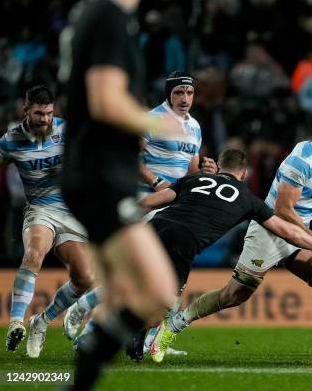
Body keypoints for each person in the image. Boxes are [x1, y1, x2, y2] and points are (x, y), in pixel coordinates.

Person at [152, 110, 312, 366]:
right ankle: (175, 324)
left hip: (299, 235)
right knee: (234, 296)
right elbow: (283, 210)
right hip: (271, 230)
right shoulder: (300, 161)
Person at [59, 0, 183, 389]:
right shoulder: (110, 16)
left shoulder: (87, 13)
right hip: (101, 177)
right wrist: (152, 122)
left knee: (118, 295)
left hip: (88, 172)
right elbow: (106, 101)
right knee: (158, 291)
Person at [62, 71, 217, 343]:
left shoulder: (194, 126)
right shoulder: (152, 119)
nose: (184, 98)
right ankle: (86, 312)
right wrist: (156, 181)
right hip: (144, 201)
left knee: (146, 277)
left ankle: (92, 330)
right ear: (169, 93)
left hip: (171, 205)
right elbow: (128, 157)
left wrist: (206, 170)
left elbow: (190, 171)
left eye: (189, 93)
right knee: (145, 274)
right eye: (179, 92)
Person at [0, 85, 94, 358]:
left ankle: (41, 320)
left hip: (71, 212)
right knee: (34, 252)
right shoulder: (11, 140)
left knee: (85, 277)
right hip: (40, 210)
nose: (45, 119)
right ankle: (16, 321)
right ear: (25, 110)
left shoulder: (67, 130)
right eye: (39, 114)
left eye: (49, 113)